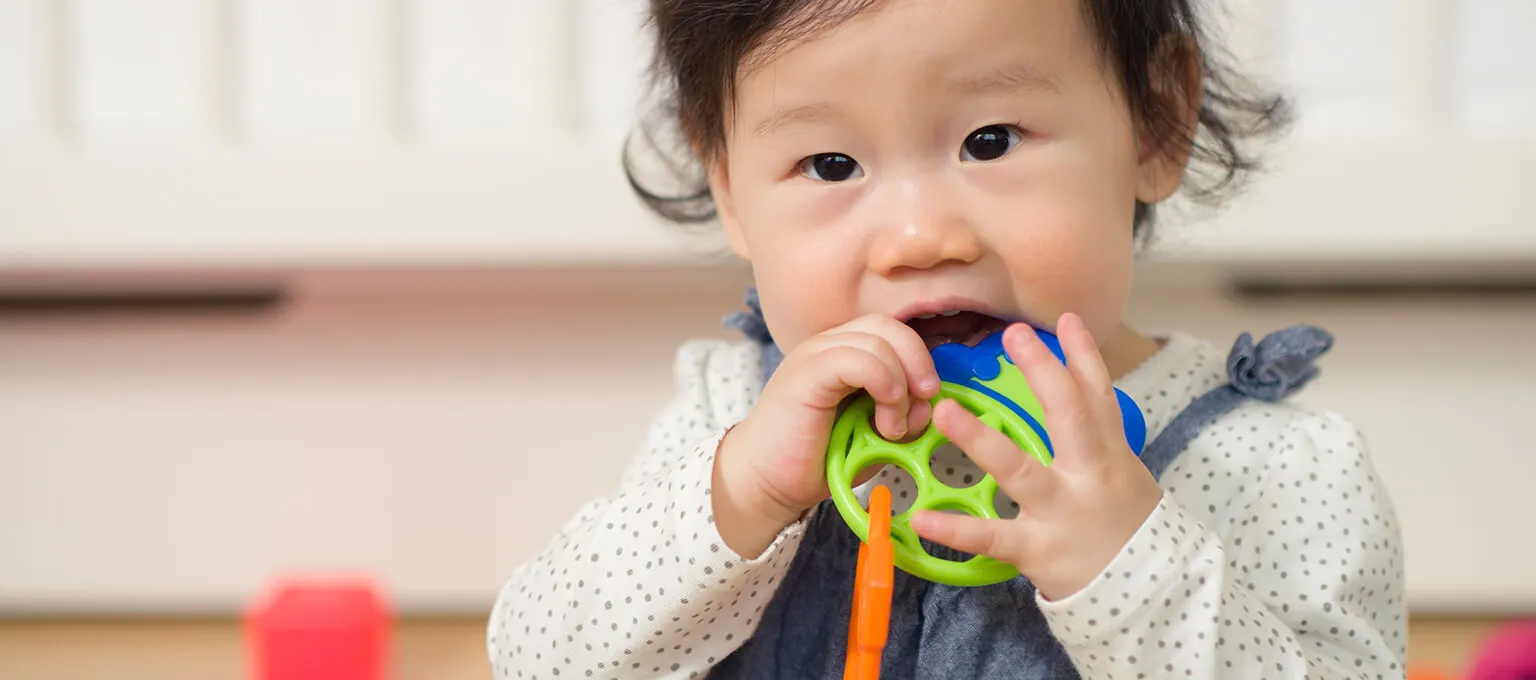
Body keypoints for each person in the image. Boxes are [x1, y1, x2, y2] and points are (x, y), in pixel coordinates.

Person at [488, 0, 1406, 677]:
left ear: (1155, 121)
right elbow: (537, 657)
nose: (923, 237)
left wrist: (1132, 567)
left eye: (992, 140)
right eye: (832, 165)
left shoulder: (1273, 471)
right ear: (727, 181)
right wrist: (737, 496)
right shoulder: (729, 417)